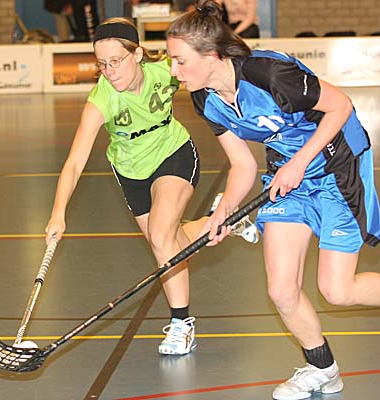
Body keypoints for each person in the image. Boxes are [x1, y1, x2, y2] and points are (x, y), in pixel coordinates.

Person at [166, 0, 380, 397]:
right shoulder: (206, 98)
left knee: (338, 291)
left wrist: (300, 163)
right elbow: (242, 164)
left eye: (180, 61)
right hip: (286, 179)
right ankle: (322, 368)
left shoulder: (270, 74)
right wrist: (223, 213)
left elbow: (340, 106)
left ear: (212, 56)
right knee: (281, 289)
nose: (174, 71)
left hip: (337, 168)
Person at [44, 17, 258, 356]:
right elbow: (74, 162)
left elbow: (208, 71)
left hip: (173, 154)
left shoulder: (165, 72)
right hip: (131, 173)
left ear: (138, 54)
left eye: (116, 61)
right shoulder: (102, 99)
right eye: (102, 64)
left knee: (161, 237)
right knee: (171, 244)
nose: (109, 71)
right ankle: (223, 221)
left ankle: (182, 324)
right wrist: (58, 214)